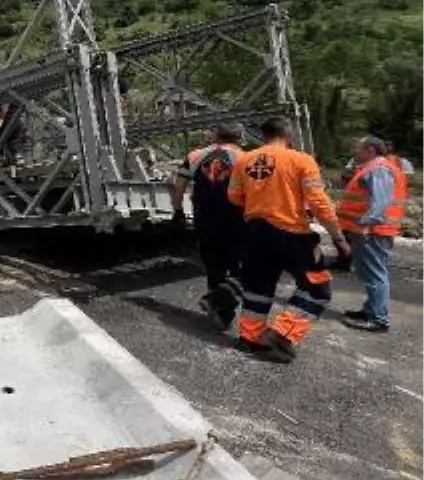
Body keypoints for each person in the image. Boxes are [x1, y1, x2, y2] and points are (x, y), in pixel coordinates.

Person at [227, 117, 351, 363]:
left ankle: (250, 338)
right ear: (289, 135)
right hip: (291, 234)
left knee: (257, 288)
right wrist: (338, 238)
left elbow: (233, 197)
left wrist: (259, 202)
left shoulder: (243, 161)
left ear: (262, 135)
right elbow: (319, 203)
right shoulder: (301, 160)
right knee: (317, 289)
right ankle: (281, 335)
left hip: (254, 232)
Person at [171, 123, 245, 327]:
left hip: (205, 217)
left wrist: (177, 211)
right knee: (240, 265)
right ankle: (222, 303)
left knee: (214, 263)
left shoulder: (195, 155)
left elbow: (178, 186)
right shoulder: (245, 157)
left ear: (216, 136)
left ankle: (220, 311)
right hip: (236, 218)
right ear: (239, 138)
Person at [338, 136, 407, 333]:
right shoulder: (375, 168)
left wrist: (366, 225)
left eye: (358, 148)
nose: (355, 151)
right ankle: (371, 310)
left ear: (370, 149)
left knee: (375, 275)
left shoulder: (378, 170)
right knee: (371, 273)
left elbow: (379, 203)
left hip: (373, 232)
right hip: (373, 231)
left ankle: (378, 319)